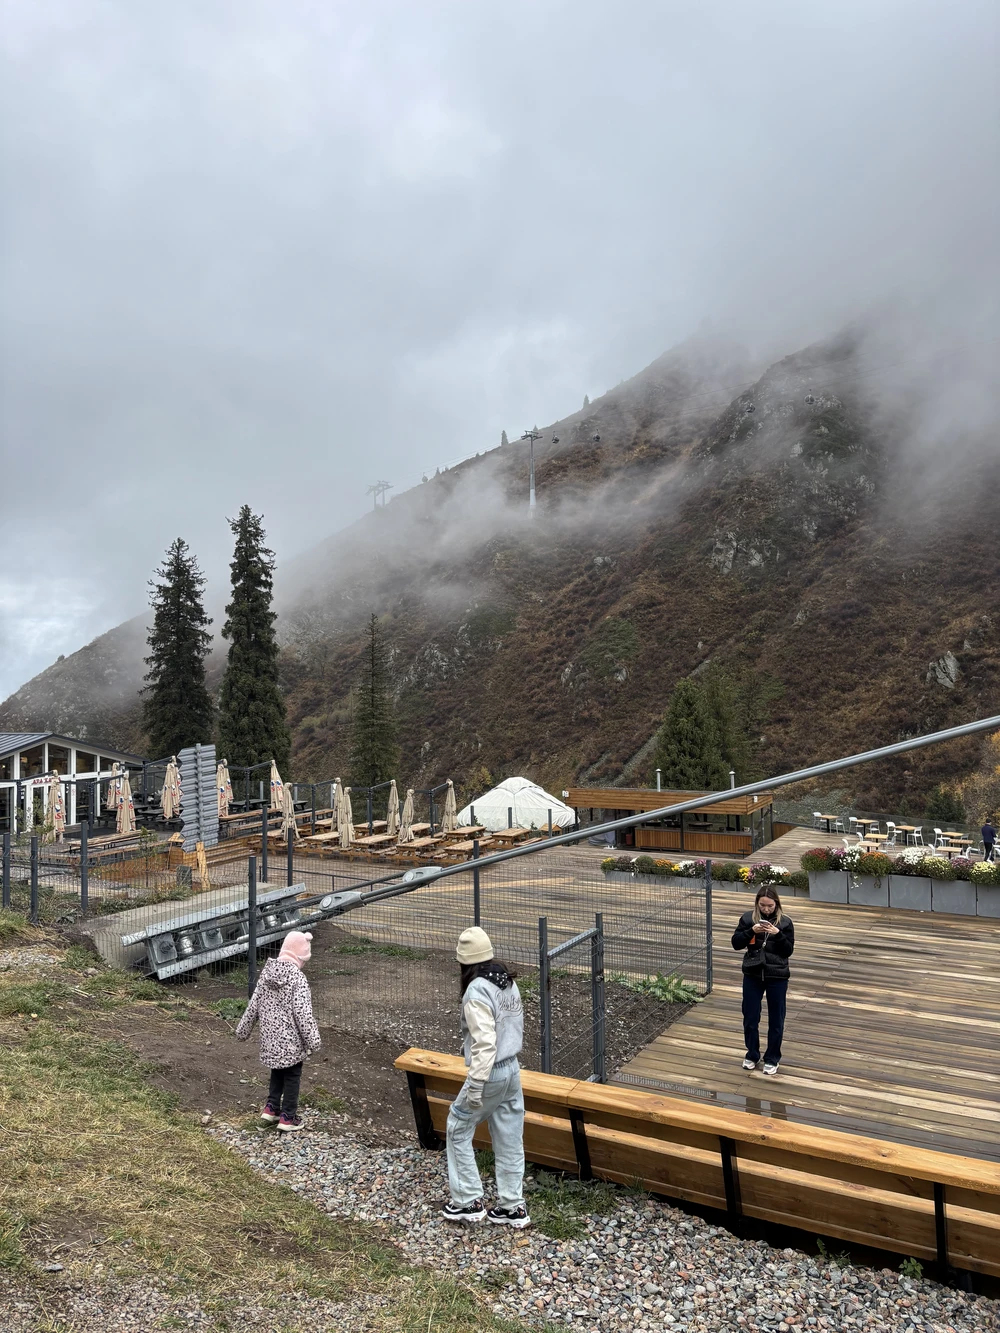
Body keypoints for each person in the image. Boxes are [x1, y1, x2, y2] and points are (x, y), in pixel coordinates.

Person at [441, 927, 530, 1228]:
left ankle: (467, 1201)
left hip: (489, 1072)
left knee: (457, 1126)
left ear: (463, 961)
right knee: (509, 1138)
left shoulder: (476, 990)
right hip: (512, 1069)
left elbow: (485, 1043)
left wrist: (476, 1084)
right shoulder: (507, 983)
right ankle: (512, 1206)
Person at [236, 929, 320, 1132]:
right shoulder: (298, 979)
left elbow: (253, 1006)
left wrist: (242, 1031)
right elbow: (303, 1013)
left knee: (277, 1071)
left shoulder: (266, 975)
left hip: (270, 1040)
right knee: (292, 1075)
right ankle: (288, 1117)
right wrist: (314, 1040)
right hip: (291, 1042)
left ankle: (272, 1108)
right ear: (300, 957)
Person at [732, 887, 794, 1077]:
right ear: (757, 903)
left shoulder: (785, 922)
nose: (766, 909)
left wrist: (778, 934)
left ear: (777, 904)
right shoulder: (748, 918)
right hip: (753, 973)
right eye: (762, 905)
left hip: (777, 975)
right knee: (750, 1016)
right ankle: (752, 1054)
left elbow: (788, 951)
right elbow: (736, 943)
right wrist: (751, 931)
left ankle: (772, 1058)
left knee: (776, 1019)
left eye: (770, 906)